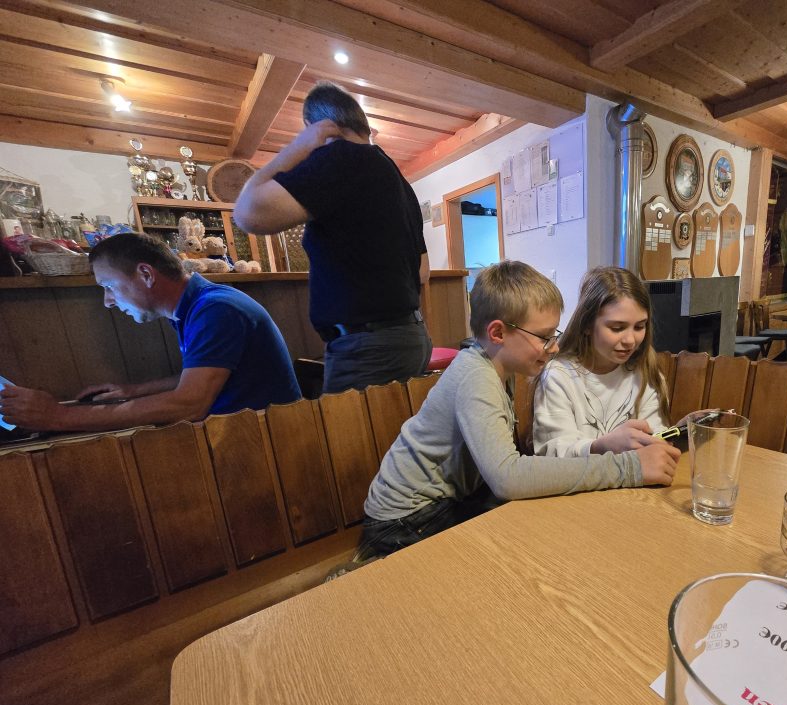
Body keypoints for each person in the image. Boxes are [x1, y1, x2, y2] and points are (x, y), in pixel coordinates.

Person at [355, 260, 679, 560]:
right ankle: (369, 564)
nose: (554, 346)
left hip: (451, 500)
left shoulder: (500, 366)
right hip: (405, 521)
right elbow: (508, 478)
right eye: (544, 337)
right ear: (498, 333)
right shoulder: (476, 377)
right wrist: (628, 468)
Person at [233, 80, 431, 394]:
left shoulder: (341, 158)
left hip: (368, 348)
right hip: (409, 337)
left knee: (353, 430)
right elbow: (422, 272)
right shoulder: (395, 177)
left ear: (321, 127)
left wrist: (299, 146)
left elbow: (247, 213)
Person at [0, 232, 301, 433]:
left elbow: (190, 404)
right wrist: (133, 391)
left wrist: (57, 417)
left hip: (271, 440)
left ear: (145, 274)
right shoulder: (196, 306)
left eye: (109, 286)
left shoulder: (217, 309)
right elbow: (206, 375)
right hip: (246, 433)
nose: (108, 301)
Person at [532, 267, 669, 457]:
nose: (630, 340)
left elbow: (655, 438)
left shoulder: (645, 372)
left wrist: (678, 432)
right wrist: (601, 446)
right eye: (617, 328)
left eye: (639, 326)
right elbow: (554, 450)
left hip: (636, 475)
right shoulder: (559, 375)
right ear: (587, 325)